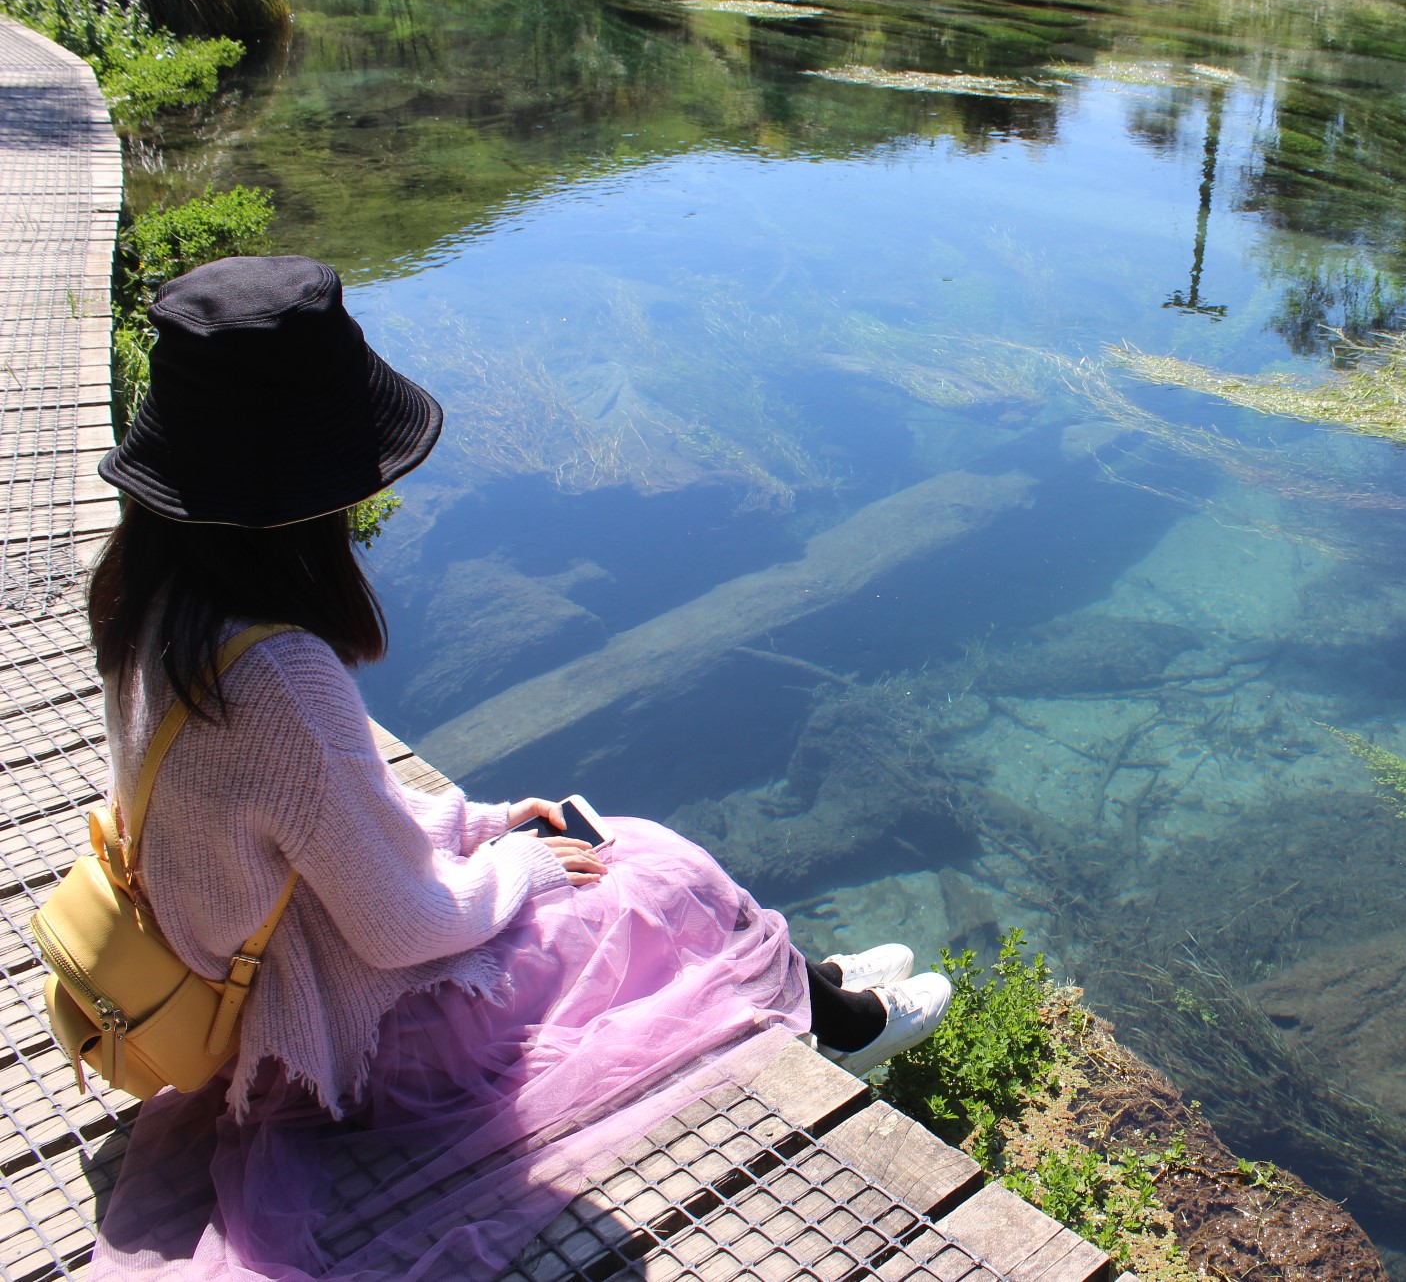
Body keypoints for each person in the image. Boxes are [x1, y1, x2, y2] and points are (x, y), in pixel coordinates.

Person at [84, 255, 952, 1280]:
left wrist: (485, 823)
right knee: (656, 867)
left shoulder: (150, 605)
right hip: (347, 1057)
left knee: (618, 858)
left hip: (266, 1011)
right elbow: (405, 923)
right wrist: (526, 868)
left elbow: (309, 825)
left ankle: (808, 982)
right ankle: (834, 1020)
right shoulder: (280, 675)